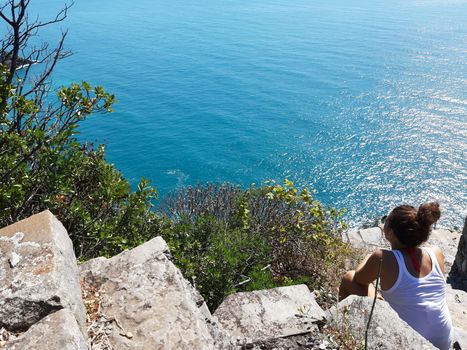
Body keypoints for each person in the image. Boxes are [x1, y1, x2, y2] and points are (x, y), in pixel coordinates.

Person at [339, 202, 453, 350]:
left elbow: (358, 279)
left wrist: (369, 257)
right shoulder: (435, 252)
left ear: (390, 232)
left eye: (386, 221)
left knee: (348, 277)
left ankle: (339, 328)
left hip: (411, 342)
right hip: (443, 342)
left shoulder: (382, 257)